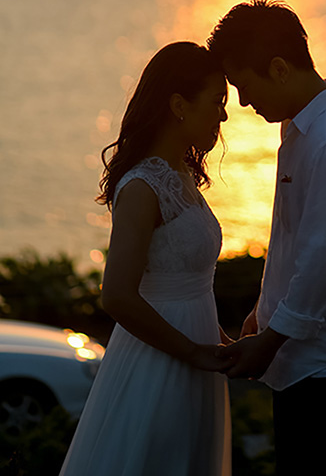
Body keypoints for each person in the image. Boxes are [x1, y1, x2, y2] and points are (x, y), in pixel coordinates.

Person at [207, 0, 326, 476]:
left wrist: (269, 342)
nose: (243, 102)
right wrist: (263, 315)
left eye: (245, 86)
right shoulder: (303, 129)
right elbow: (298, 246)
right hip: (306, 360)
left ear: (280, 69)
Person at [59, 42, 232, 476]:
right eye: (217, 102)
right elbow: (116, 296)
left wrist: (222, 345)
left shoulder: (183, 175)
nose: (224, 116)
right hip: (160, 362)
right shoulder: (141, 187)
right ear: (178, 105)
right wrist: (192, 351)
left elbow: (189, 281)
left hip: (199, 358)